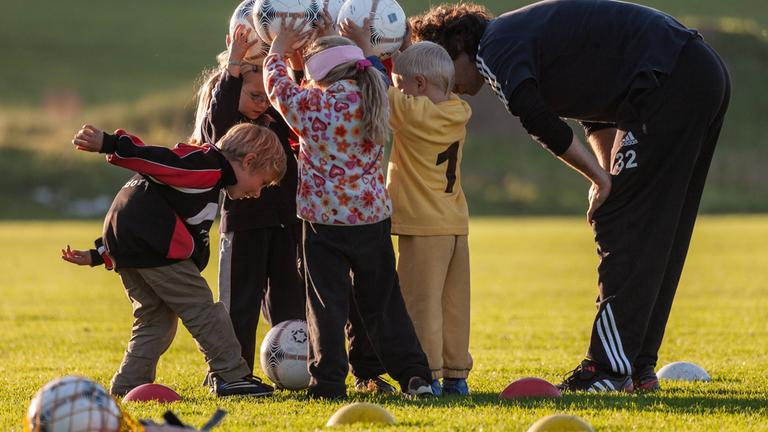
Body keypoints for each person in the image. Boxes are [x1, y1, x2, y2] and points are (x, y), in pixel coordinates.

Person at [411, 0, 730, 392]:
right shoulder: (524, 39)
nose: (447, 85)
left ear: (459, 42)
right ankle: (637, 367)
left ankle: (607, 369)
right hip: (697, 71)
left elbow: (536, 118)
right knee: (660, 228)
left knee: (623, 222)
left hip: (669, 78)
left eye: (443, 67)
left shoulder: (492, 48)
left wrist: (599, 178)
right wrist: (605, 176)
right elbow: (595, 112)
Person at [193, 20, 393, 393]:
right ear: (235, 87)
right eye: (255, 95)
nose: (263, 102)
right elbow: (218, 120)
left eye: (266, 96)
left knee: (293, 308)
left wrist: (297, 62)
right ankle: (230, 372)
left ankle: (296, 370)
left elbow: (302, 103)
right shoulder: (227, 122)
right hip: (244, 226)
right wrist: (234, 63)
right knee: (239, 306)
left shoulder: (279, 118)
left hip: (290, 224)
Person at [263, 18, 434, 399]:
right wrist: (351, 43)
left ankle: (328, 383)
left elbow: (276, 87)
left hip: (323, 222)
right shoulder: (377, 93)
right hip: (372, 219)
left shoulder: (312, 105)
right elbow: (372, 69)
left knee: (326, 307)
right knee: (385, 303)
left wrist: (279, 48)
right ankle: (415, 376)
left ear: (317, 74)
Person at [61, 123, 285, 397]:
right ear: (248, 161)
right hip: (156, 249)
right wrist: (111, 144)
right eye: (262, 183)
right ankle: (232, 376)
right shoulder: (206, 167)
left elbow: (139, 213)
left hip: (131, 246)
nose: (258, 193)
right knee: (204, 311)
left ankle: (127, 385)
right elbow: (157, 158)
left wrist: (100, 254)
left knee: (155, 320)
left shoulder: (205, 175)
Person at [343, 20, 474, 396]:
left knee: (420, 303)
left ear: (418, 86)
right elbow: (405, 85)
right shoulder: (455, 109)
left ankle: (426, 372)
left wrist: (364, 48)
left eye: (404, 85)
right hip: (455, 224)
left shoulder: (415, 114)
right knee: (454, 305)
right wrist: (399, 52)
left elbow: (381, 90)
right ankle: (456, 374)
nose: (399, 90)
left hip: (424, 227)